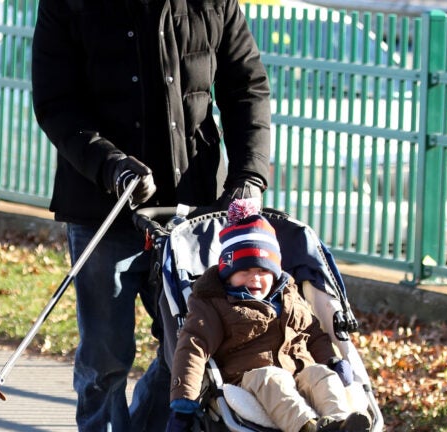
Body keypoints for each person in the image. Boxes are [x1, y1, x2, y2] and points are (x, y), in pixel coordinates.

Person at [30, 0, 272, 429]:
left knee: (189, 349)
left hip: (194, 211)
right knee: (104, 359)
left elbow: (247, 87)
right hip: (102, 208)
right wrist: (111, 166)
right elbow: (57, 103)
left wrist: (249, 175)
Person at [166, 199, 372, 432]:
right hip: (250, 378)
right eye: (244, 270)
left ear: (275, 272)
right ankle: (307, 427)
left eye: (263, 270)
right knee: (273, 378)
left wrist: (330, 360)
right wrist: (183, 403)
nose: (254, 278)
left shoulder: (289, 295)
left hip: (300, 371)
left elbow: (314, 334)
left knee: (321, 374)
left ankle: (339, 422)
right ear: (227, 273)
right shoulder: (214, 302)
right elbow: (193, 347)